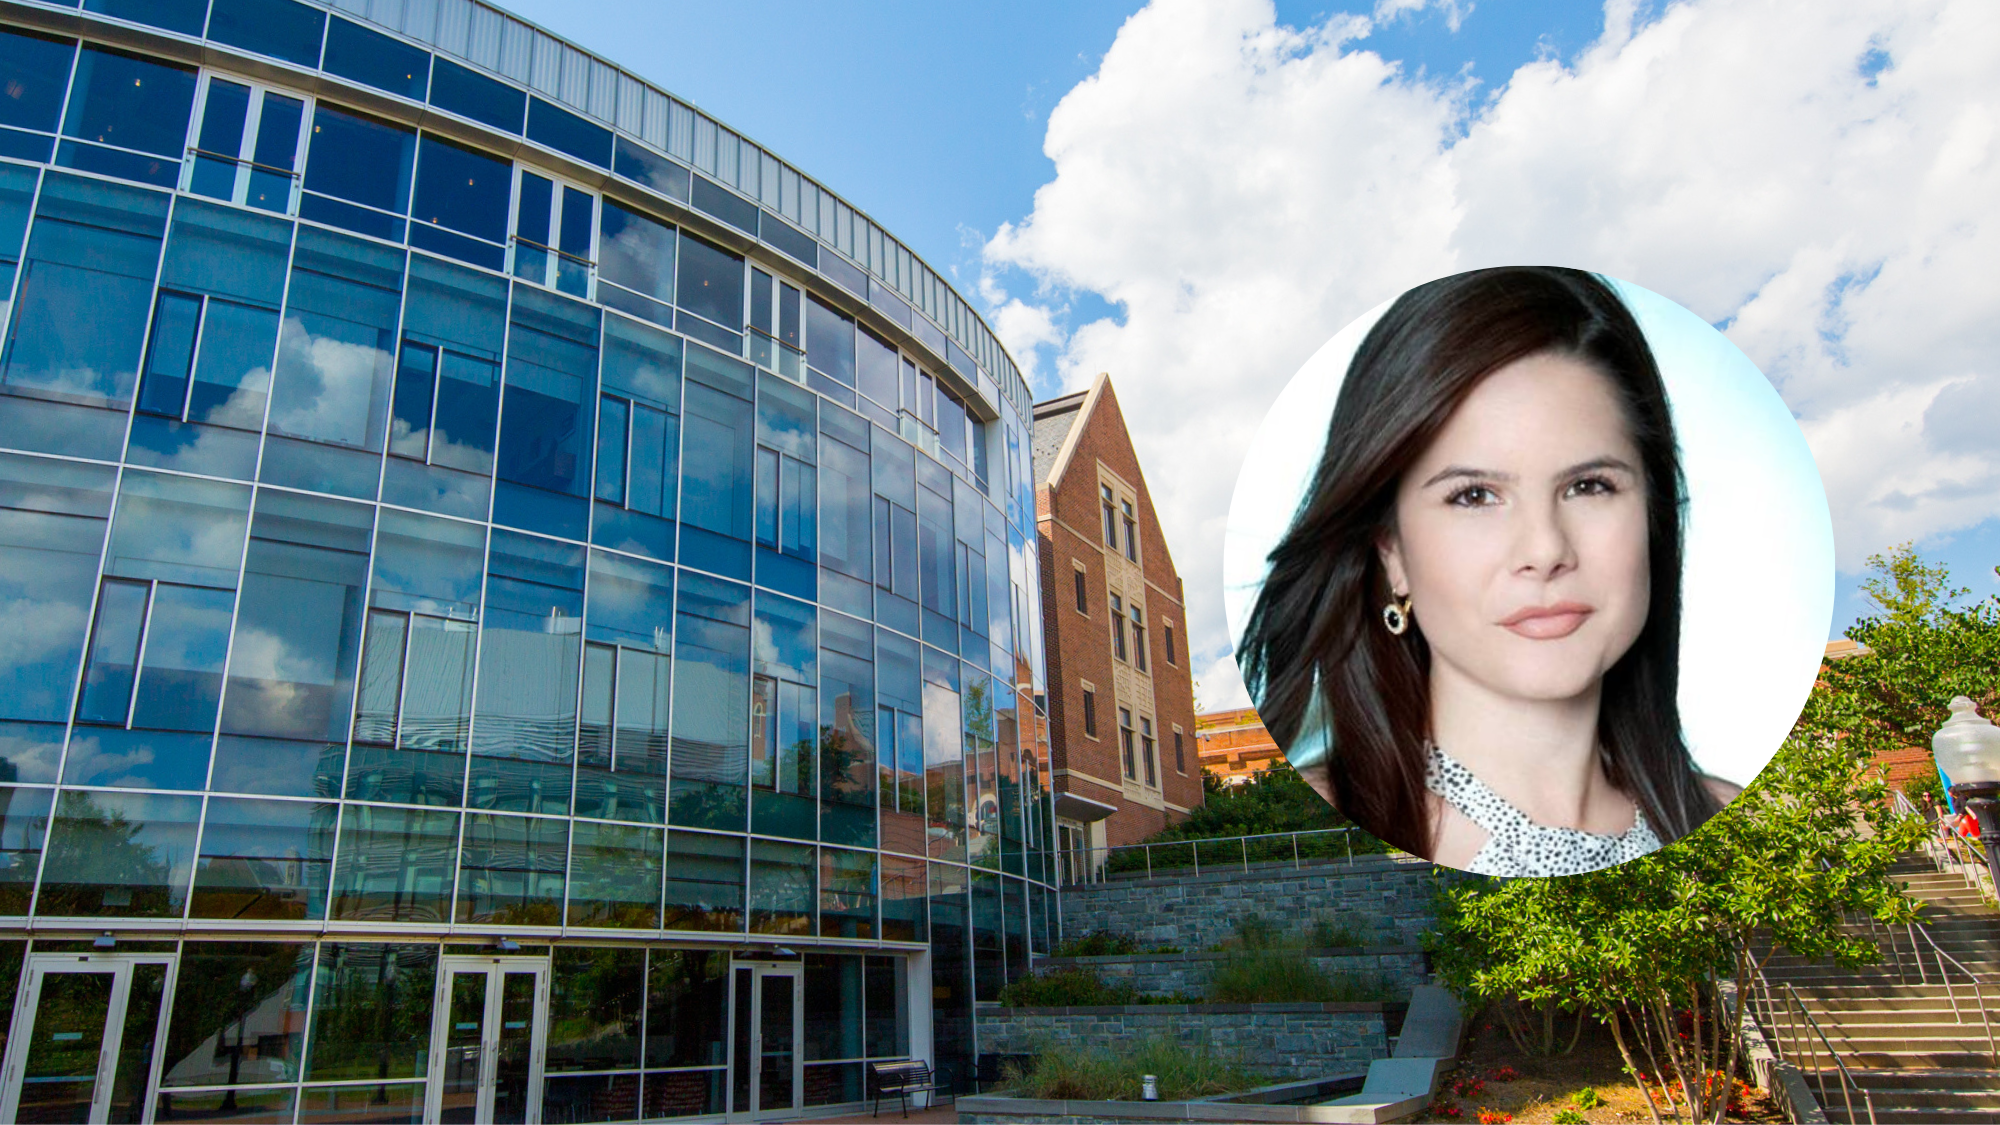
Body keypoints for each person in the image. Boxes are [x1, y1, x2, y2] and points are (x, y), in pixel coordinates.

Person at [1237, 267, 1738, 876]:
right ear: (1391, 553)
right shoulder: (1312, 829)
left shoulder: (1737, 818)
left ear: (1653, 517)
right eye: (1474, 495)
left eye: (1588, 485)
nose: (1546, 549)